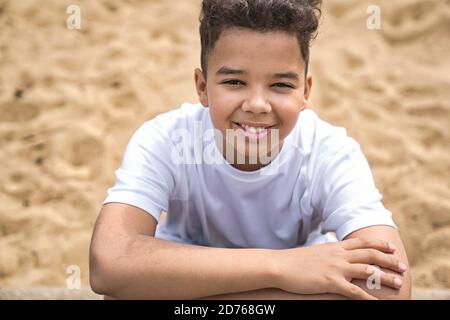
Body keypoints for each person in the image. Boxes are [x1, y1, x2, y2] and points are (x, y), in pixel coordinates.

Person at [89, 0, 411, 300]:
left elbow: (392, 287)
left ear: (305, 91)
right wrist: (283, 268)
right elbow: (110, 263)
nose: (257, 105)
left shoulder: (330, 152)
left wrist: (190, 290)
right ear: (202, 87)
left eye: (281, 85)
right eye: (234, 82)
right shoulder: (166, 139)